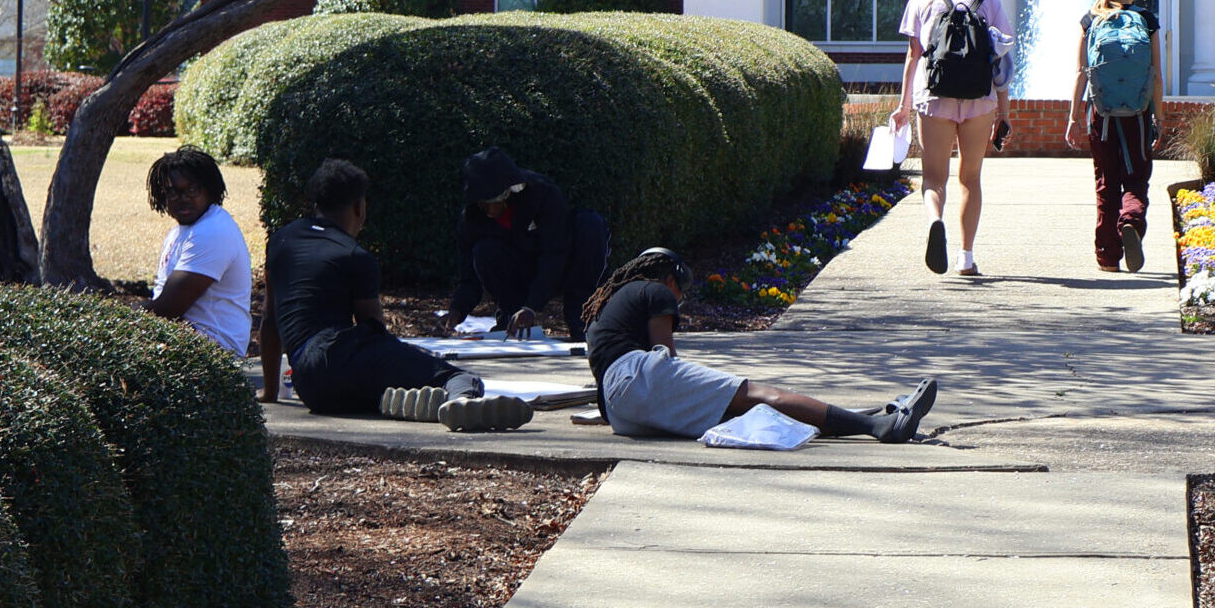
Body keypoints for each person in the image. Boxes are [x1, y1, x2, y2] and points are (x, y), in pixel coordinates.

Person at [260, 158, 529, 431]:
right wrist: (411, 358)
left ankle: (401, 400)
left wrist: (270, 393)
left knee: (373, 381)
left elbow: (270, 321)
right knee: (455, 375)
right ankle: (460, 400)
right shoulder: (354, 256)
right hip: (340, 358)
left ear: (316, 204)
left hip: (311, 388)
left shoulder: (281, 240)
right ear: (359, 208)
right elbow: (375, 332)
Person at [580, 248, 935, 442]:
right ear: (669, 276)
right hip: (638, 377)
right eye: (680, 289)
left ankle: (854, 419)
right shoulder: (654, 289)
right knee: (754, 394)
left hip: (621, 413)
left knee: (738, 414)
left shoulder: (605, 308)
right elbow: (666, 356)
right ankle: (881, 428)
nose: (679, 298)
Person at [890, 0, 1012, 278]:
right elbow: (1002, 64)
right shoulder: (990, 1)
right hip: (979, 99)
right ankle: (966, 258)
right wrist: (1004, 113)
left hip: (933, 97)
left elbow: (913, 57)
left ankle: (935, 221)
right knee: (970, 178)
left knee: (933, 179)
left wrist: (903, 107)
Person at [432, 146, 610, 341]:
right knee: (484, 250)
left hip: (557, 265)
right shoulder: (472, 219)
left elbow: (556, 252)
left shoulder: (542, 193)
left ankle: (581, 318)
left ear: (508, 194)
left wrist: (532, 306)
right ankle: (510, 316)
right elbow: (469, 278)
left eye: (490, 202)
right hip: (519, 271)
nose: (486, 209)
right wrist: (456, 312)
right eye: (480, 203)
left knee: (590, 224)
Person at [1064, 0, 1164, 273]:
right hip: (1137, 114)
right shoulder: (1146, 20)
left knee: (1106, 184)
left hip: (1100, 114)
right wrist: (1158, 118)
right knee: (1135, 179)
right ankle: (1130, 222)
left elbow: (1080, 74)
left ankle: (1108, 257)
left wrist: (1072, 118)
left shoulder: (1090, 19)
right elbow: (1156, 75)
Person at [144, 147, 254, 355]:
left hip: (213, 352)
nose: (182, 198)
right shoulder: (181, 231)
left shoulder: (212, 231)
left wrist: (120, 316)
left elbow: (168, 310)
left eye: (192, 190)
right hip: (183, 341)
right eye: (173, 191)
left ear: (209, 190)